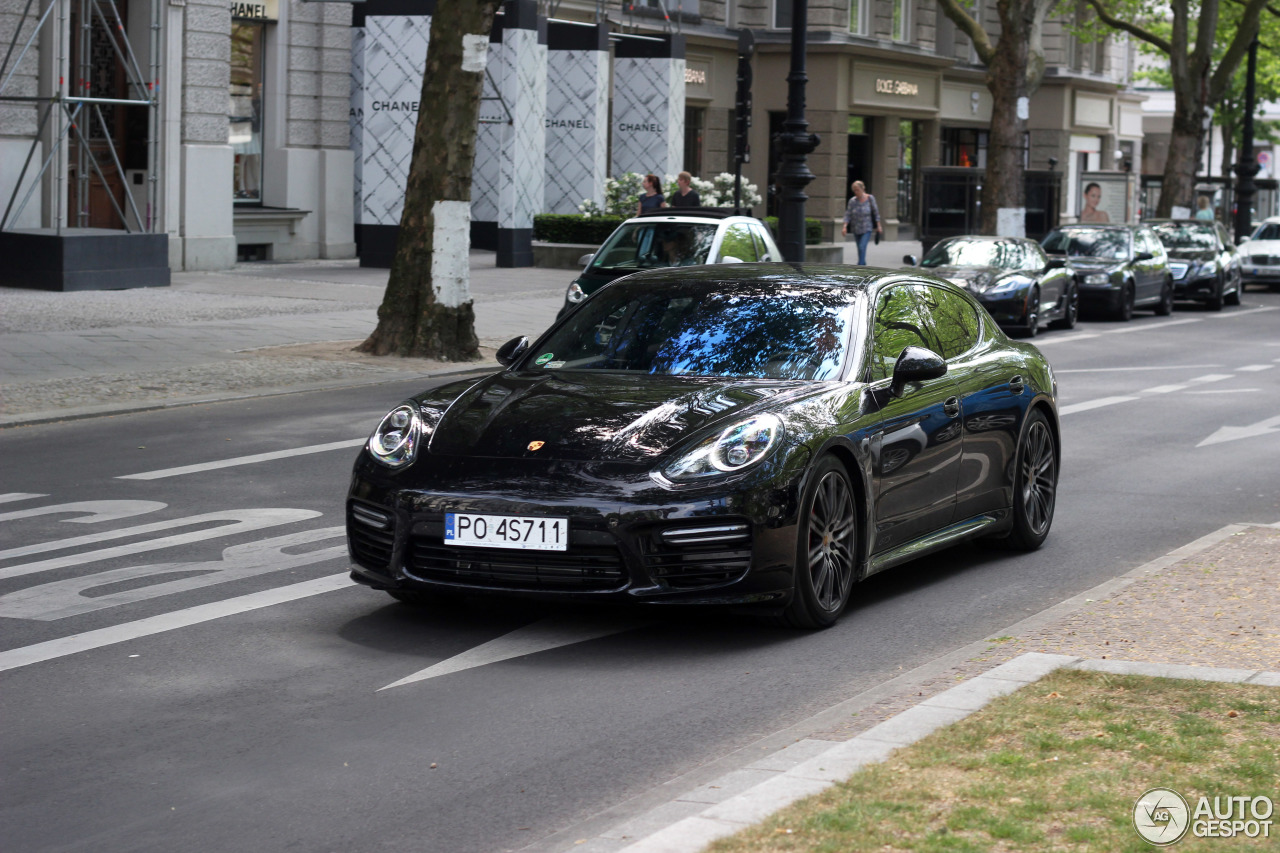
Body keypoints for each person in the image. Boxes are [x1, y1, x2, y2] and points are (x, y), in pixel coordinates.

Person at [841, 180, 882, 265]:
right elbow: (848, 214)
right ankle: (863, 265)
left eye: (857, 190)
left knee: (862, 246)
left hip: (867, 227)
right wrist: (844, 226)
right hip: (856, 228)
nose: (856, 192)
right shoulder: (852, 201)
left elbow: (876, 212)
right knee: (859, 249)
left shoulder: (870, 198)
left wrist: (879, 226)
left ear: (863, 189)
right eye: (854, 190)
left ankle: (860, 266)